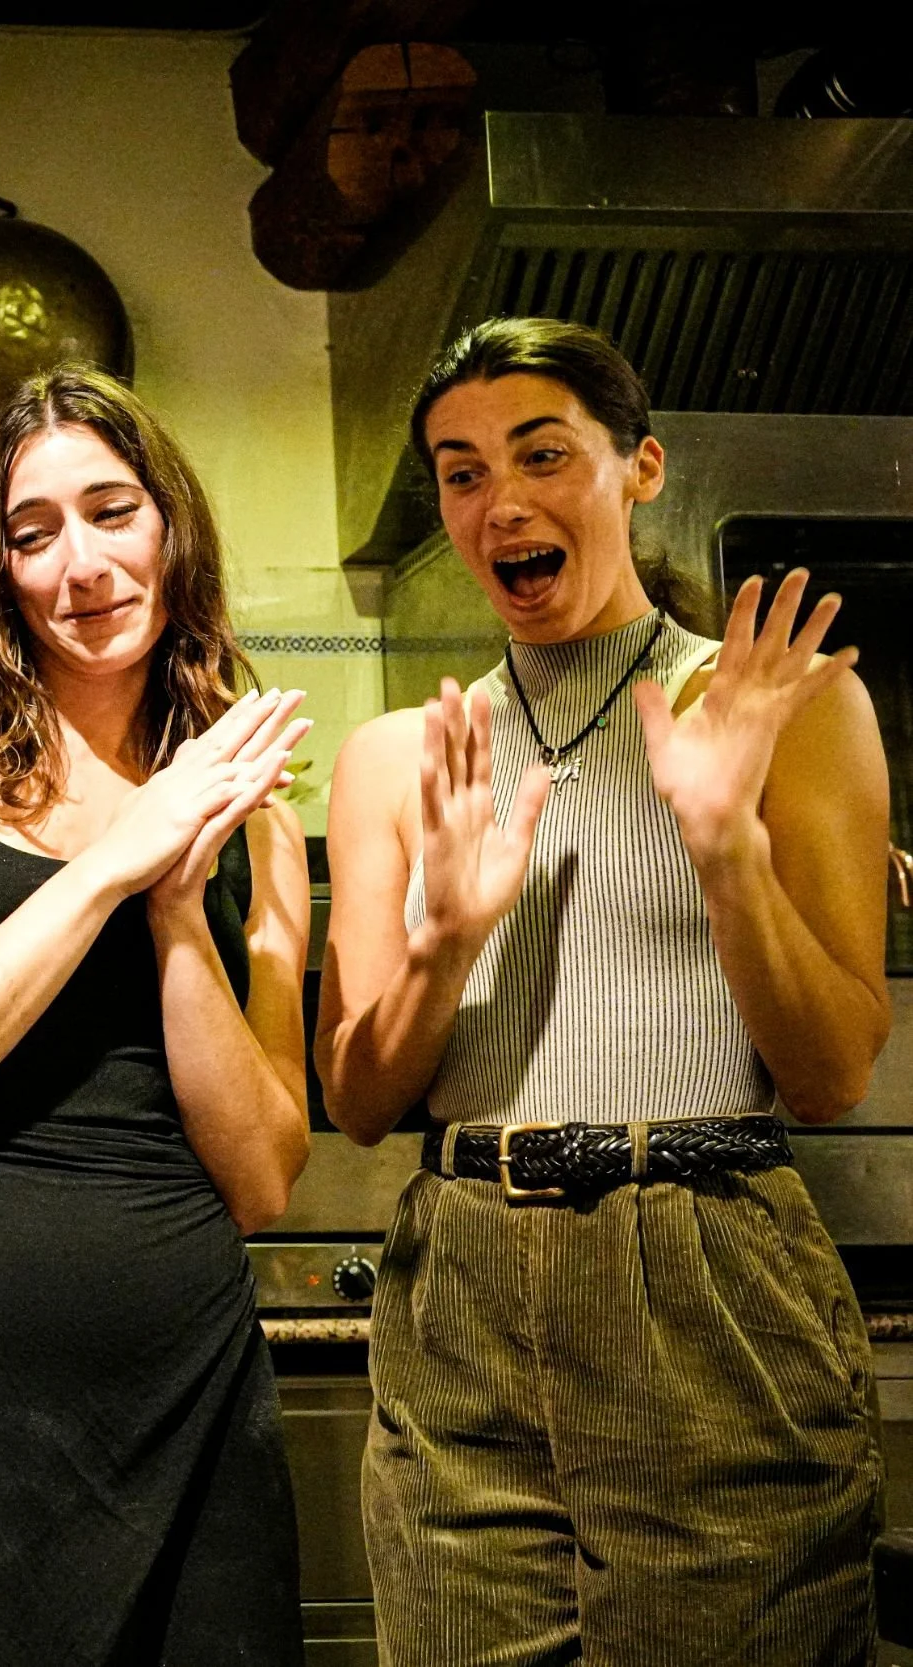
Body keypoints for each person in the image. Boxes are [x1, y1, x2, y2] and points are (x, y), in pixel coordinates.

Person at [317, 316, 890, 1665]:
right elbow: (354, 1099)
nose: (499, 501)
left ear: (639, 469)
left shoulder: (784, 707)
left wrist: (724, 844)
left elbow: (831, 1072)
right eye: (459, 473)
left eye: (540, 454)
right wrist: (447, 935)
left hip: (703, 1268)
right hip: (459, 1278)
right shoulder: (401, 757)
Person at [0, 365, 312, 1665]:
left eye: (112, 511)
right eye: (34, 533)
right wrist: (104, 868)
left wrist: (178, 903)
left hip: (190, 1384)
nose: (81, 563)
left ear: (170, 528)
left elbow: (260, 1175)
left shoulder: (253, 808)